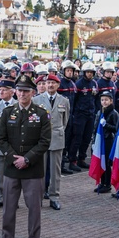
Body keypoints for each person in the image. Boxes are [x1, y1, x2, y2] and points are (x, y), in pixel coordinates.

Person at [0, 73, 52, 238]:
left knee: (34, 208)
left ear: (33, 92)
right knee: (8, 208)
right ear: (15, 92)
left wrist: (27, 159)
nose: (22, 94)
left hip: (33, 169)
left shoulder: (42, 114)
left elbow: (45, 142)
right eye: (19, 91)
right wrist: (14, 158)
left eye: (26, 91)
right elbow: (0, 140)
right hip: (12, 168)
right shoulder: (7, 112)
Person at [34, 74, 69, 210]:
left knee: (55, 171)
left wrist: (58, 131)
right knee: (40, 170)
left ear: (58, 85)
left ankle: (54, 197)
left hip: (57, 138)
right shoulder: (37, 100)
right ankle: (39, 196)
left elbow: (65, 120)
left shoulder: (64, 101)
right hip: (41, 138)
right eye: (48, 83)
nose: (50, 85)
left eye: (53, 83)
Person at [0, 80, 17, 206]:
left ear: (12, 91)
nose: (1, 91)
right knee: (0, 172)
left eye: (4, 89)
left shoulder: (18, 104)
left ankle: (12, 198)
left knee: (14, 174)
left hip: (15, 145)